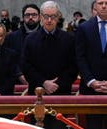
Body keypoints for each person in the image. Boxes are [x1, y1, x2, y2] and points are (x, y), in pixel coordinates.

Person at [22, 1, 78, 128]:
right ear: (41, 17)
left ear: (58, 17)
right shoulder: (30, 39)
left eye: (52, 16)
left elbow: (73, 67)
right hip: (37, 94)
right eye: (46, 16)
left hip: (61, 94)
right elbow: (26, 66)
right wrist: (44, 82)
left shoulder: (69, 39)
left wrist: (57, 85)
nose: (49, 20)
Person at [75, 0, 107, 128]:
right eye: (100, 3)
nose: (104, 6)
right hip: (91, 89)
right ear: (95, 6)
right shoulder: (84, 28)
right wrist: (91, 81)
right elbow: (80, 57)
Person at [3, 4, 41, 85]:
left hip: (43, 82)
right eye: (27, 15)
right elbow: (7, 59)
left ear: (39, 17)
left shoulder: (47, 36)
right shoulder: (11, 38)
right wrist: (19, 75)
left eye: (34, 15)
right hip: (16, 83)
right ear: (23, 18)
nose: (30, 17)